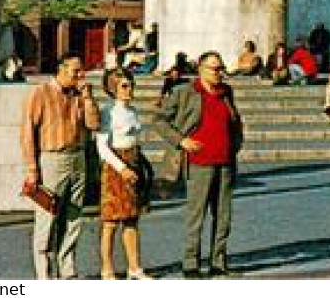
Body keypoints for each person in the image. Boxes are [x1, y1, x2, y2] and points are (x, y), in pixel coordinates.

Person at [153, 51, 244, 279]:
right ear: (201, 70)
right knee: (197, 215)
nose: (219, 73)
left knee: (223, 216)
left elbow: (234, 121)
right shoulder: (185, 92)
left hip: (225, 162)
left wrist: (236, 143)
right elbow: (159, 120)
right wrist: (181, 140)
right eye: (215, 69)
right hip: (199, 162)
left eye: (221, 68)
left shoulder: (226, 93)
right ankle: (190, 263)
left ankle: (218, 262)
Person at [20, 54, 101, 280]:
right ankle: (44, 275)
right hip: (52, 159)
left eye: (81, 72)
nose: (80, 76)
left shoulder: (79, 95)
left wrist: (87, 98)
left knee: (74, 217)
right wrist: (32, 168)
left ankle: (68, 271)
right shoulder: (40, 93)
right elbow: (27, 132)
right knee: (48, 215)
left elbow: (93, 124)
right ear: (61, 69)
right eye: (75, 71)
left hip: (78, 157)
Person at [96, 69, 152, 280]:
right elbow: (102, 147)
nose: (129, 90)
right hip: (115, 167)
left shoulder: (134, 111)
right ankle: (107, 269)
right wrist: (122, 168)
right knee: (110, 221)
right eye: (124, 86)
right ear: (113, 89)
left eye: (131, 85)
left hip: (134, 161)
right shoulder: (108, 113)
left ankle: (134, 267)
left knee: (131, 219)